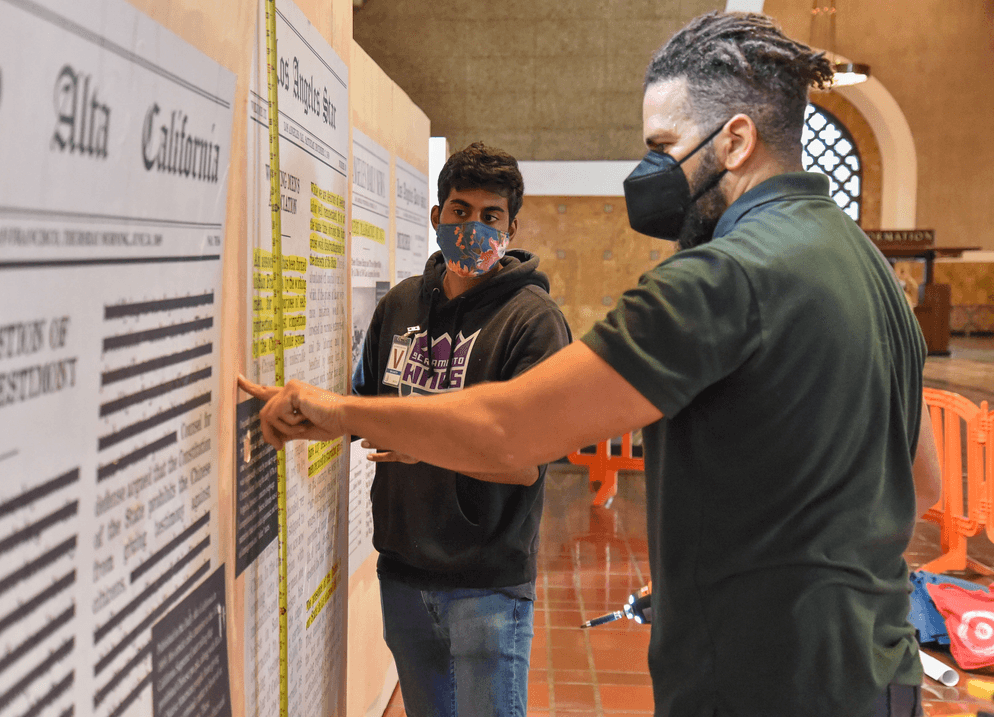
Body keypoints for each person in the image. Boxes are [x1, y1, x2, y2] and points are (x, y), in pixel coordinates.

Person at [240, 12, 941, 717]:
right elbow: (921, 480)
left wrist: (335, 410)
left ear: (734, 141)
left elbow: (514, 430)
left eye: (664, 145)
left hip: (765, 683)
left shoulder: (722, 278)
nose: (650, 171)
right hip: (879, 674)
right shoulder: (872, 270)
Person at [355, 142, 571, 717]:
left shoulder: (534, 321)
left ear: (511, 225)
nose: (473, 227)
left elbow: (526, 461)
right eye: (459, 210)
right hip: (401, 573)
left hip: (487, 586)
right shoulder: (399, 306)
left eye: (490, 215)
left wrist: (423, 447)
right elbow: (369, 405)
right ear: (437, 216)